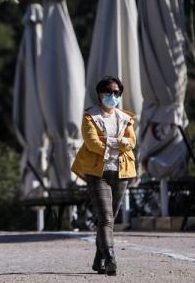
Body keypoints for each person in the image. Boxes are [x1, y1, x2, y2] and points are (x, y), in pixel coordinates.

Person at [71, 76, 137, 276]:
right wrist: (119, 142)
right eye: (109, 92)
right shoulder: (90, 116)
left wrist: (108, 141)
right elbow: (92, 144)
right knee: (106, 217)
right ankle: (110, 257)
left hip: (122, 172)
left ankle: (99, 258)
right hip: (97, 172)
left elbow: (131, 142)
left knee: (109, 218)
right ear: (99, 94)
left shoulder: (126, 117)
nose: (113, 95)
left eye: (117, 92)